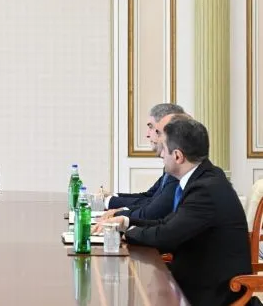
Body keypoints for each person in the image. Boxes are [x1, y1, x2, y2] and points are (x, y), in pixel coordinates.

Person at [97, 116, 255, 306]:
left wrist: (125, 233)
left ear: (178, 156)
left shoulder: (205, 190)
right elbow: (168, 223)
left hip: (211, 294)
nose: (161, 154)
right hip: (195, 280)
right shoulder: (205, 178)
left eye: (164, 148)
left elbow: (166, 236)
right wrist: (126, 222)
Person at [101, 103, 184, 212]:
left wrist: (113, 206)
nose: (147, 134)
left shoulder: (178, 165)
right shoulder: (170, 164)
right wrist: (112, 197)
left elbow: (156, 209)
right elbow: (150, 196)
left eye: (151, 127)